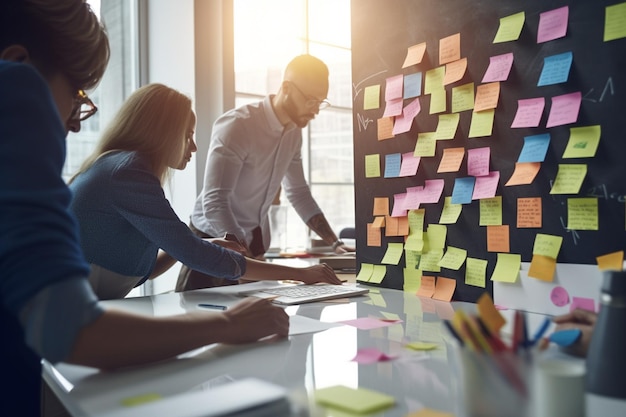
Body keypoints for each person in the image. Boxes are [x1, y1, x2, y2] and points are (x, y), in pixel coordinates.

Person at [0, 2, 288, 415]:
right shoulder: (124, 169)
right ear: (16, 68)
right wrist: (231, 324)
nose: (76, 122)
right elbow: (74, 329)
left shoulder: (112, 167)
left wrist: (181, 244)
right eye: (77, 94)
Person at [68, 83, 342, 300]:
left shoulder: (119, 166)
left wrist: (204, 244)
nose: (194, 147)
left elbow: (149, 270)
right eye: (187, 135)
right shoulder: (129, 172)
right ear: (162, 133)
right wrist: (302, 275)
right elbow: (193, 248)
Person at [178, 54, 355, 291]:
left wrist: (335, 243)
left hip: (250, 247)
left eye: (320, 102)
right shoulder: (237, 126)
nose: (316, 110)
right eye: (311, 100)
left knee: (252, 324)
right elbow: (214, 201)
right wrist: (246, 258)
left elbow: (299, 193)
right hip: (210, 243)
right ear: (286, 88)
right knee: (193, 322)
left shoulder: (293, 133)